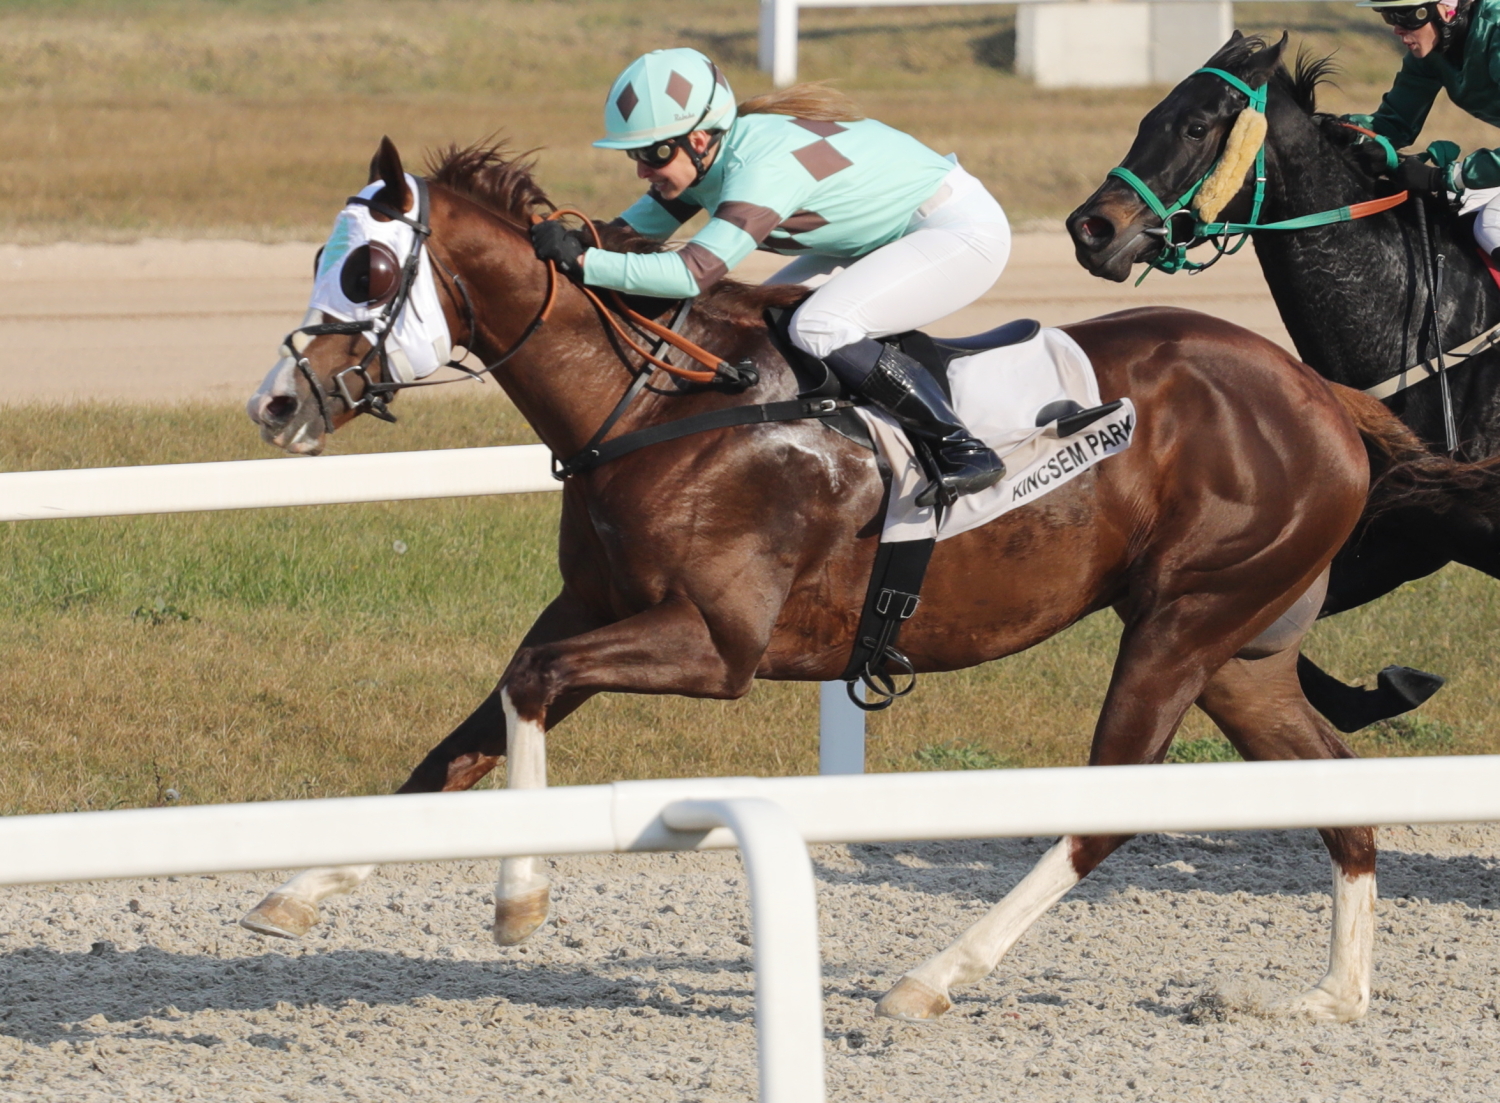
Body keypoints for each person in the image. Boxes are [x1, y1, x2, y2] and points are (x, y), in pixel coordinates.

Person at [530, 47, 1012, 505]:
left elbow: (691, 273)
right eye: (634, 155)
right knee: (767, 320)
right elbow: (623, 234)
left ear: (698, 141)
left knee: (819, 326)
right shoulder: (704, 162)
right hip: (886, 236)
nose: (641, 171)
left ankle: (961, 446)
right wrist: (558, 240)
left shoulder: (760, 168)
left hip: (958, 232)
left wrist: (584, 262)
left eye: (652, 154)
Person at [1356, 0, 1500, 260]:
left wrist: (1444, 177)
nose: (1396, 29)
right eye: (1389, 16)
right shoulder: (1430, 55)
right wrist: (1333, 130)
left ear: (1446, 10)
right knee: (1459, 209)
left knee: (1493, 226)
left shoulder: (1495, 30)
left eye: (1405, 15)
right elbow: (1392, 124)